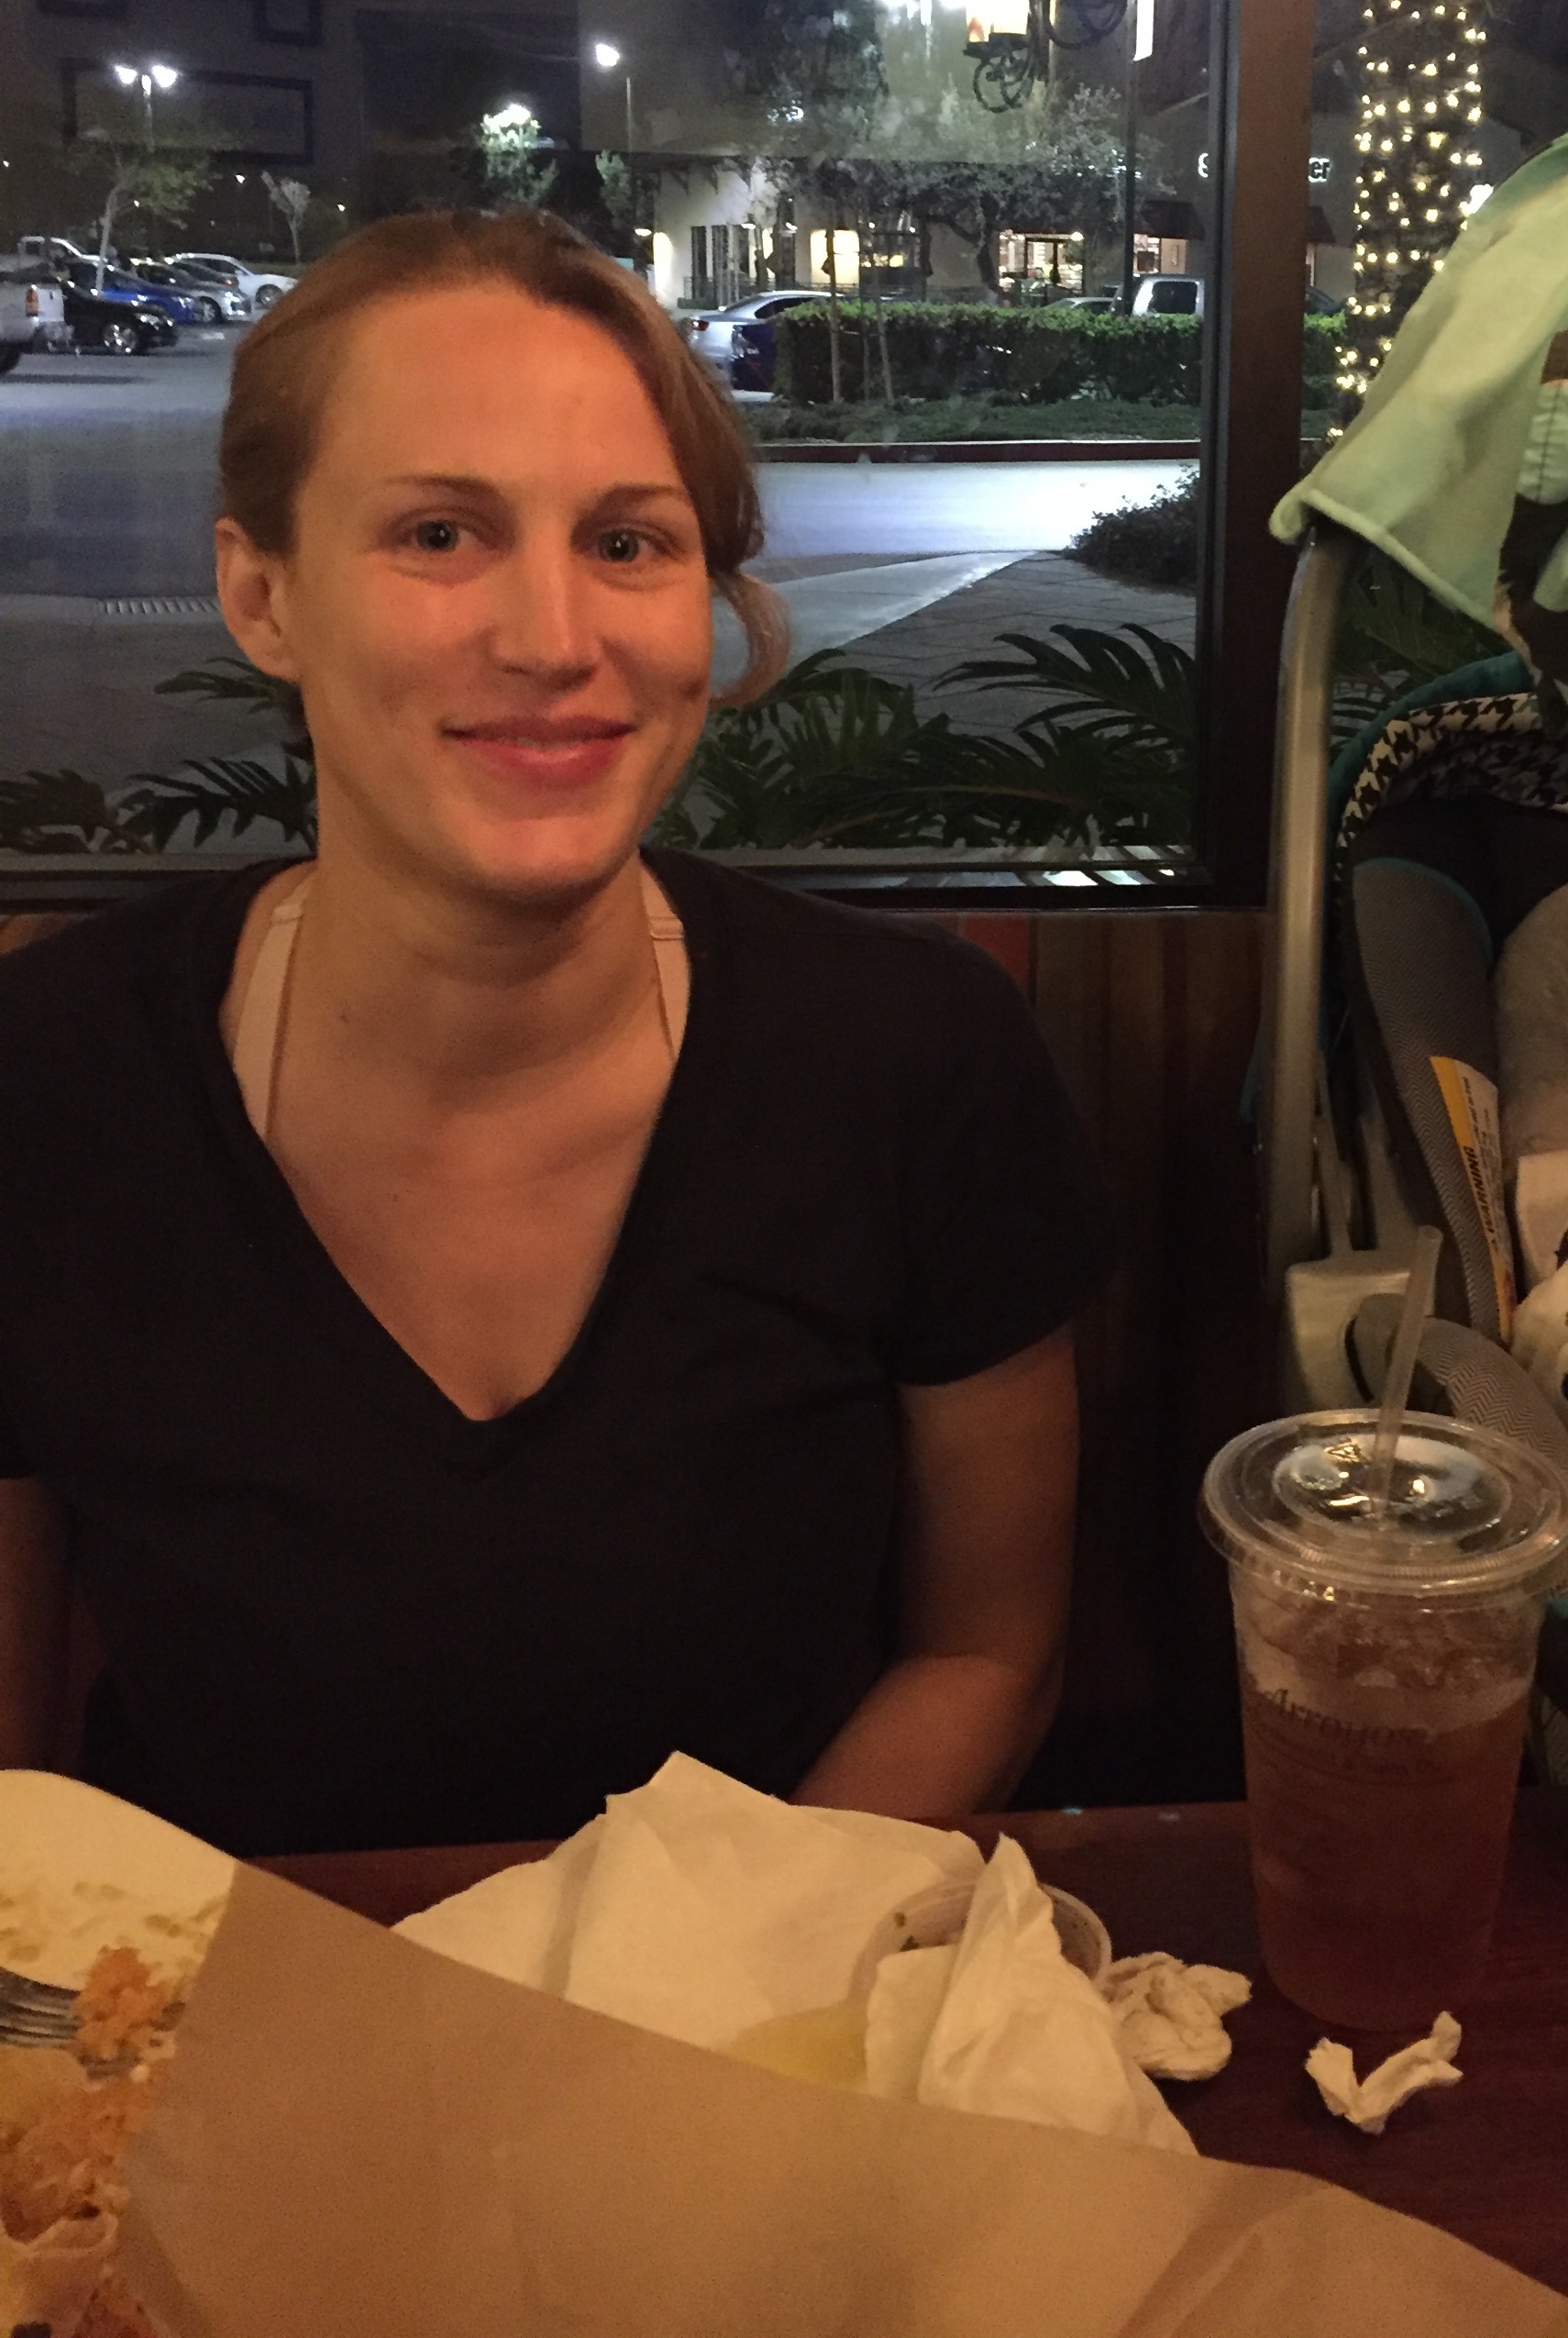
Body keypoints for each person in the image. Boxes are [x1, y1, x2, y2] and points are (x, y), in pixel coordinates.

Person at [0, 210, 1111, 1854]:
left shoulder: (912, 1056)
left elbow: (986, 1651)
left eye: (629, 541)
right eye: (440, 532)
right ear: (261, 591)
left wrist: (689, 1972)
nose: (553, 638)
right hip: (214, 1987)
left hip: (755, 1981)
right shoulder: (48, 1076)